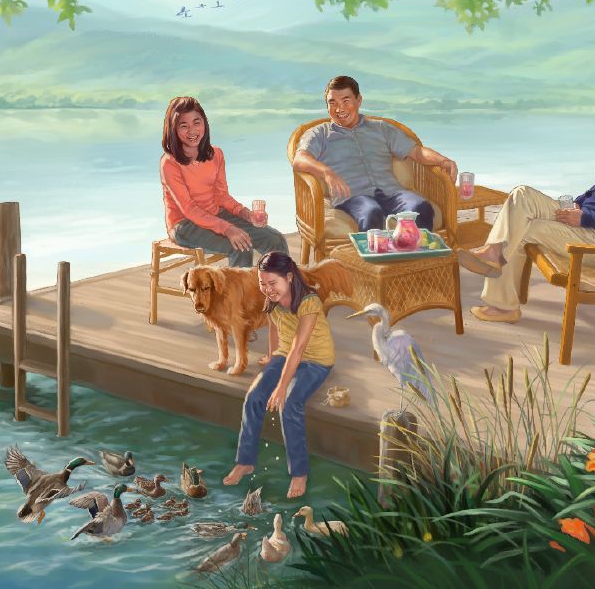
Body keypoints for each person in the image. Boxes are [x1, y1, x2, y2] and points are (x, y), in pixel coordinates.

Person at [458, 96, 595, 323]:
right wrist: (578, 203)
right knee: (521, 194)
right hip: (582, 218)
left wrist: (584, 218)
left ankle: (503, 305)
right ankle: (494, 252)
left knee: (525, 229)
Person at [223, 251, 334, 498]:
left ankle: (299, 473)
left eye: (272, 283)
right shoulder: (271, 300)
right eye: (263, 284)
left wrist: (282, 385)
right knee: (254, 397)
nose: (267, 289)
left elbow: (299, 348)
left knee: (290, 402)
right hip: (285, 356)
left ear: (289, 277)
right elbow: (274, 329)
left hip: (315, 360)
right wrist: (272, 358)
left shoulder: (308, 302)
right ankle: (245, 461)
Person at [292, 75, 458, 232]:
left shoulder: (381, 128)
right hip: (354, 197)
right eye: (332, 102)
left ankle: (419, 258)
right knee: (372, 213)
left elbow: (416, 151)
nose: (339, 108)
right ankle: (373, 261)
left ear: (359, 100)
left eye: (346, 100)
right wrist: (326, 172)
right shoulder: (319, 134)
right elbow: (300, 159)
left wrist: (443, 160)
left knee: (421, 208)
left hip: (392, 192)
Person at [160, 96, 288, 266]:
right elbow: (189, 209)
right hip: (184, 225)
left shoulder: (216, 154)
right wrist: (228, 229)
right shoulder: (169, 163)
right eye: (184, 126)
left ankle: (281, 288)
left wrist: (246, 214)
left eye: (196, 123)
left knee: (275, 239)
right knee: (240, 246)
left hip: (215, 213)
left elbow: (221, 196)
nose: (192, 131)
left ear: (204, 123)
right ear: (173, 129)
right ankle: (241, 293)